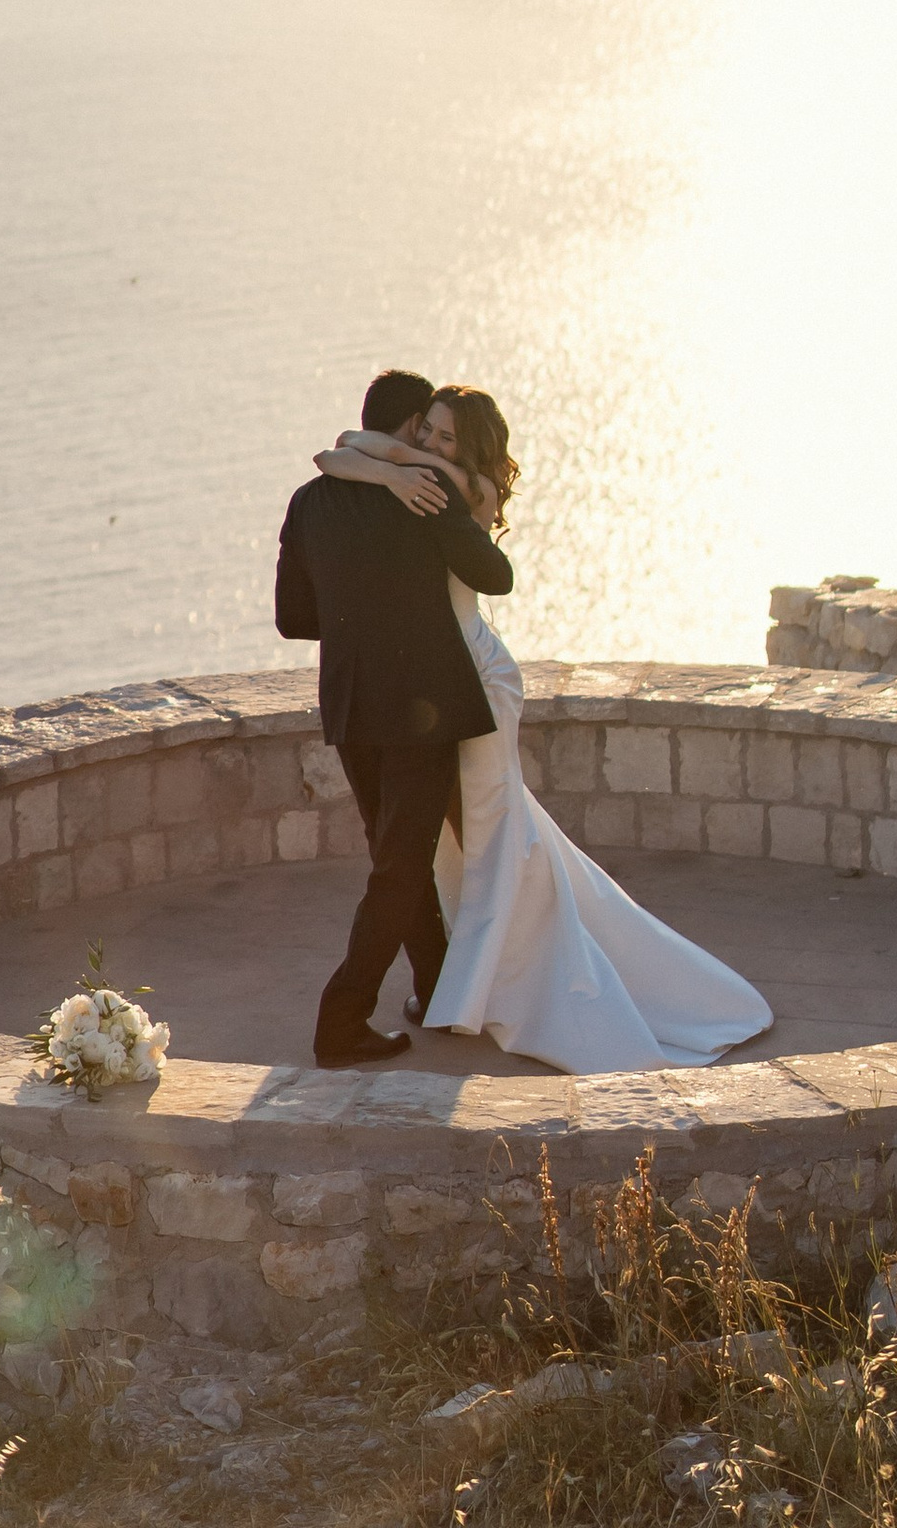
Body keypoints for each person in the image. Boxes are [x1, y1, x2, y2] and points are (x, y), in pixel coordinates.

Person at [313, 386, 771, 1073]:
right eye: (427, 431)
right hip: (442, 682)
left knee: (494, 832)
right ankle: (460, 985)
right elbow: (338, 452)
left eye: (444, 437)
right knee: (450, 845)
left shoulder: (449, 483)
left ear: (469, 449)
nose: (432, 446)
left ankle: (518, 985)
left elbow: (352, 459)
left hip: (473, 678)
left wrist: (394, 466)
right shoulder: (415, 475)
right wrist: (388, 469)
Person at [274, 366, 515, 1066]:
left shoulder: (308, 502)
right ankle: (341, 1020)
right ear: (412, 430)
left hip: (351, 706)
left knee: (395, 860)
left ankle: (438, 984)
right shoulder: (424, 493)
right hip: (422, 710)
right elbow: (494, 577)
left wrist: (358, 622)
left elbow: (294, 620)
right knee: (401, 868)